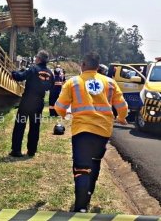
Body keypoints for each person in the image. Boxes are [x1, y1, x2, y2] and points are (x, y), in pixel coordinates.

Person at [54, 52, 128, 213]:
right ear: (98, 66)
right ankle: (87, 197)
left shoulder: (73, 82)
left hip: (82, 131)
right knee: (94, 163)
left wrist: (65, 114)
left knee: (81, 168)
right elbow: (122, 106)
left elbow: (59, 107)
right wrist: (121, 118)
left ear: (83, 65)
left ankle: (80, 207)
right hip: (103, 131)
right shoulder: (110, 83)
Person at [9, 50, 54, 157]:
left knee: (20, 124)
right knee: (35, 126)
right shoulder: (49, 73)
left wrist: (13, 73)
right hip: (39, 101)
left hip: (28, 100)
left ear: (38, 59)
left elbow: (21, 76)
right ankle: (32, 150)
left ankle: (16, 150)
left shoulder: (33, 69)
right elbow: (51, 85)